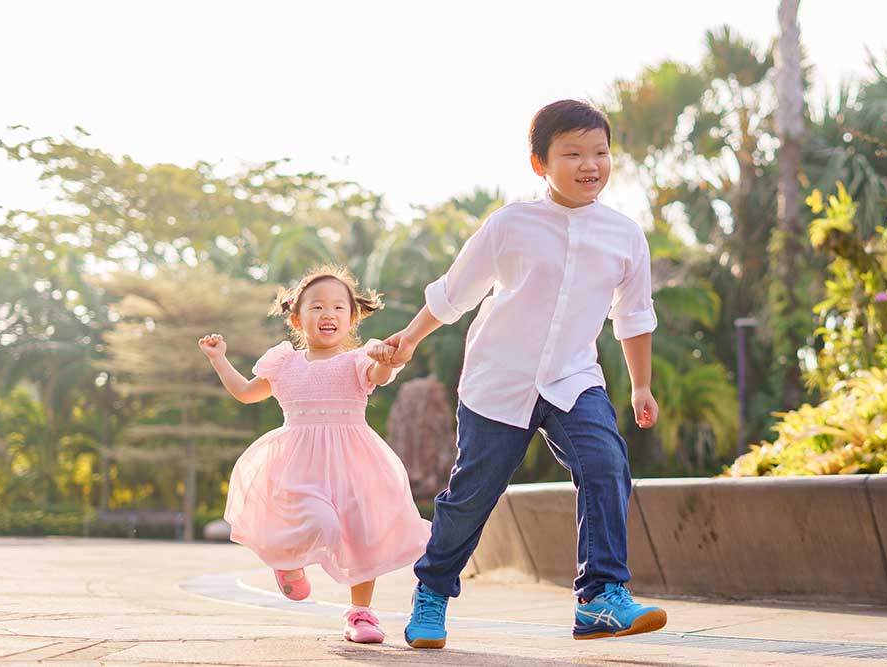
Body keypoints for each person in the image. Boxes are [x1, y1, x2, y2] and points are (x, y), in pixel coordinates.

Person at [371, 99, 668, 648]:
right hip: (497, 381)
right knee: (471, 497)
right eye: (573, 153)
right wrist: (408, 341)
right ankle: (432, 591)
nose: (590, 165)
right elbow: (454, 293)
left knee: (606, 462)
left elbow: (633, 315)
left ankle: (600, 598)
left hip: (572, 379)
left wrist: (642, 384)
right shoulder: (510, 225)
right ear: (539, 163)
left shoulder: (625, 235)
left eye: (601, 152)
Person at [198, 265, 430, 644]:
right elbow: (245, 392)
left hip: (353, 461)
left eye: (339, 308)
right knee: (321, 521)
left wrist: (387, 363)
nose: (329, 314)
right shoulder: (284, 363)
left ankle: (361, 613)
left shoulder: (357, 360)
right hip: (300, 463)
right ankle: (288, 563)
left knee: (362, 533)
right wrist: (218, 358)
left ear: (352, 317)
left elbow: (379, 374)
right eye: (317, 307)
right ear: (296, 317)